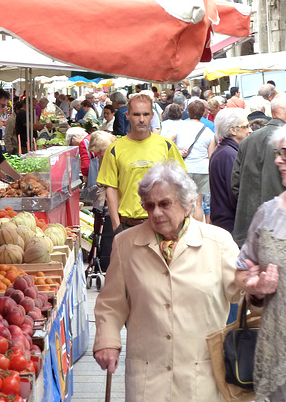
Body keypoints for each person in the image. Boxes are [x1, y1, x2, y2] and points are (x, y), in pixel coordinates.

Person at [94, 160, 242, 401]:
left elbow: (241, 292)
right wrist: (107, 341)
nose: (156, 213)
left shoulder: (218, 242)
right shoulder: (125, 244)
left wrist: (255, 285)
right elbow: (111, 303)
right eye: (149, 205)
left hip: (201, 374)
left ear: (187, 204)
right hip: (147, 375)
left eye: (164, 204)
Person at [233, 123, 286, 401]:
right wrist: (255, 288)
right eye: (277, 153)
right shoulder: (268, 213)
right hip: (278, 352)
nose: (278, 160)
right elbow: (241, 271)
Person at [96, 93, 185, 233]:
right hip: (128, 225)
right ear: (128, 115)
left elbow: (181, 184)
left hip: (163, 225)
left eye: (146, 114)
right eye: (136, 114)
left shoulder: (166, 146)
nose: (141, 119)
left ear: (152, 116)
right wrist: (116, 226)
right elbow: (111, 189)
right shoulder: (114, 149)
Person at [231, 93, 286, 246]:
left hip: (248, 230)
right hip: (280, 233)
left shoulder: (247, 141)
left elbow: (235, 184)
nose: (280, 160)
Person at [209, 108, 251, 233]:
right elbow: (235, 192)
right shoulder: (229, 155)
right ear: (232, 130)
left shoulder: (223, 151)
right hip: (230, 224)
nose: (249, 130)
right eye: (246, 126)